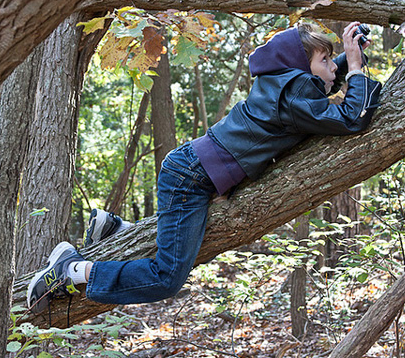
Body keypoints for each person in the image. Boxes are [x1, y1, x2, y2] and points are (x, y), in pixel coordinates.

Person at [26, 21, 382, 313]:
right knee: (167, 277)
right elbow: (353, 118)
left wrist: (349, 66)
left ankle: (115, 230)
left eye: (333, 61)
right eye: (324, 60)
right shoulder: (292, 92)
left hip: (191, 170)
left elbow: (331, 114)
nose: (332, 67)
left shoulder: (283, 89)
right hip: (191, 178)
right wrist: (355, 67)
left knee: (177, 246)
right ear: (298, 65)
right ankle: (71, 271)